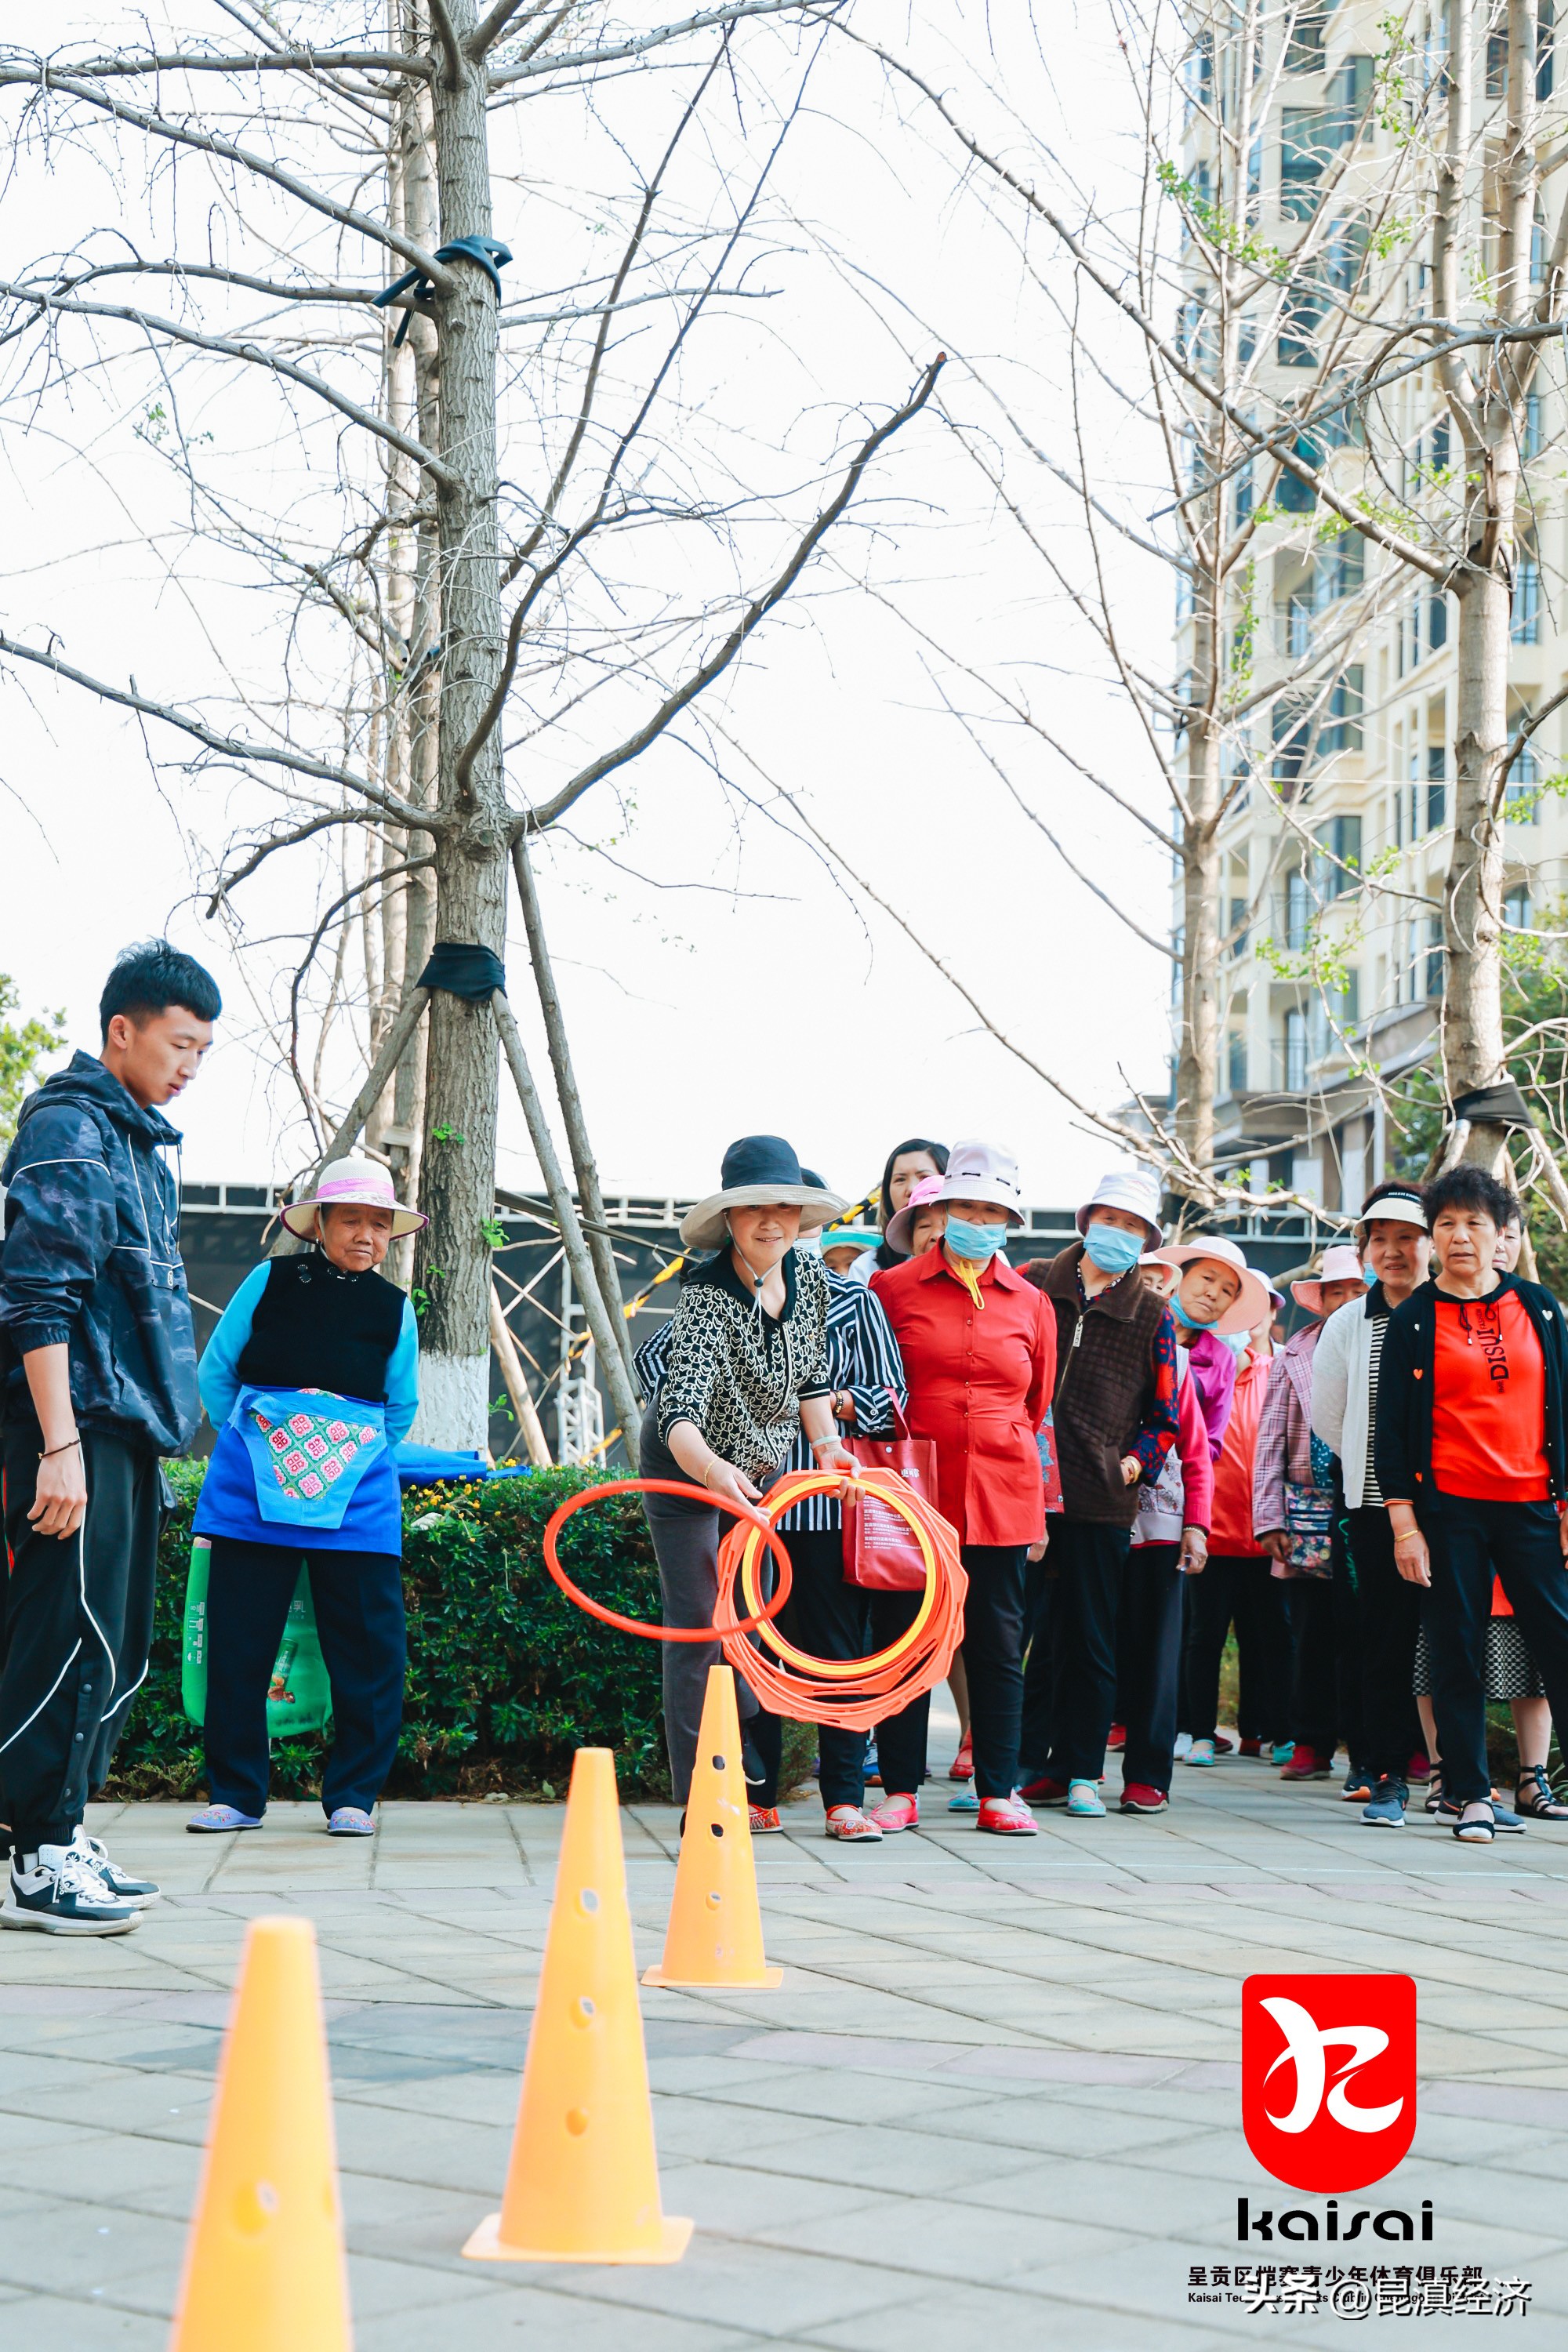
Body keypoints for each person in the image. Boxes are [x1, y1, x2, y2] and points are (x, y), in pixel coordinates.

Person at [0, 941, 220, 1933]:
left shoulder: (139, 1144)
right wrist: (59, 1446)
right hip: (73, 1427)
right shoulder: (69, 1128)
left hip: (121, 1431)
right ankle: (38, 1859)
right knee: (69, 1636)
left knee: (114, 1645)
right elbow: (37, 1295)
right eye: (178, 1044)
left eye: (202, 1051)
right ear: (121, 1031)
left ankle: (61, 1829)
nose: (189, 1065)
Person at [634, 1188, 906, 1841]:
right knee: (700, 1626)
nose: (770, 1222)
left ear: (800, 1219)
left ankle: (746, 1743)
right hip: (687, 1462)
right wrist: (713, 1473)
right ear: (729, 1219)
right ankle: (703, 1793)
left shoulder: (808, 1279)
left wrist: (828, 1447)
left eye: (784, 1209)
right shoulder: (705, 1295)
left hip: (754, 1464)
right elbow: (679, 1414)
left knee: (749, 1624)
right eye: (754, 1209)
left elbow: (811, 1379)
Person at [186, 1158, 422, 1837]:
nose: (366, 1236)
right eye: (352, 1220)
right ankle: (236, 1794)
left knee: (370, 1651)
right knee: (240, 1645)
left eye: (380, 1224)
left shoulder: (395, 1308)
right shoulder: (270, 1281)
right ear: (319, 1224)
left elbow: (399, 1407)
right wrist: (261, 1437)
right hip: (250, 1493)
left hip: (358, 1501)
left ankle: (354, 1797)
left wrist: (340, 1452)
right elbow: (217, 1372)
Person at [1376, 1163, 1568, 1842]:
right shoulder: (1414, 1318)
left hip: (1533, 1506)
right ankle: (1469, 1794)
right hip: (1449, 1508)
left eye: (1474, 1223)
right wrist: (1404, 1525)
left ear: (1501, 1234)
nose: (1460, 1236)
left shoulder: (1540, 1307)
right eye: (1446, 1224)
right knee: (1455, 1645)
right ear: (1433, 1237)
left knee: (1558, 1639)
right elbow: (1390, 1430)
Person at [871, 1140, 1054, 1835]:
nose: (979, 1220)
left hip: (1003, 1492)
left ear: (1009, 1221)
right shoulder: (893, 1289)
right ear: (942, 1210)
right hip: (915, 1493)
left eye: (992, 1211)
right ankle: (899, 1790)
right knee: (908, 1637)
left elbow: (1037, 1403)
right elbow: (878, 1387)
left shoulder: (1032, 1302)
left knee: (998, 1645)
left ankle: (998, 1791)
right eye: (967, 1207)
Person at [1023, 1165, 1182, 1817]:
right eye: (1109, 1219)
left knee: (1090, 1641)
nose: (1118, 1232)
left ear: (1146, 1238)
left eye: (1132, 1225)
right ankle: (1020, 1766)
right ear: (1087, 1221)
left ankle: (1082, 1770)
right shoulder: (1034, 1282)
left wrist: (1133, 1466)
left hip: (1101, 1500)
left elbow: (1165, 1417)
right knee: (1023, 1637)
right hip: (1024, 1492)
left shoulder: (1153, 1312)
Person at [1311, 1181, 1433, 1828]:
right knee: (1383, 1637)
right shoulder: (1349, 1322)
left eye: (1406, 1237)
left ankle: (1456, 1774)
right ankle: (1386, 1771)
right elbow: (1329, 1416)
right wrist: (1376, 1470)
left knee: (1452, 1635)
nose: (1391, 1251)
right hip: (1374, 1504)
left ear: (1431, 1243)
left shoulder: (1452, 1313)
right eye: (1378, 1239)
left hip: (1456, 1503)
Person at [1254, 1243, 1367, 1784]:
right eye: (1335, 1291)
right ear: (1320, 1299)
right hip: (1307, 1509)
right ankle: (1311, 1742)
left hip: (1372, 1504)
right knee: (1312, 1632)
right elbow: (1270, 1437)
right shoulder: (1295, 1353)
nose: (1345, 1300)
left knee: (1373, 1629)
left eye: (1355, 1290)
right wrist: (1269, 1518)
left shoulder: (1392, 1341)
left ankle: (1384, 1747)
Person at [1121, 1259, 1218, 1813]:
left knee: (1157, 1656)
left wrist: (1197, 1527)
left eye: (1162, 1285)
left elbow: (1196, 1453)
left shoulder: (1176, 1362)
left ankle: (1147, 1774)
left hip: (1160, 1525)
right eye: (1144, 1282)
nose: (1153, 1293)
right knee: (1081, 1645)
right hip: (1095, 1518)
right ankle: (1065, 1766)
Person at [1181, 1296, 1292, 1766]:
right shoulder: (1210, 1366)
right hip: (1214, 1529)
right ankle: (1201, 1733)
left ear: (1273, 1315)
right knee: (1204, 1637)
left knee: (1272, 1636)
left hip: (1269, 1534)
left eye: (1259, 1310)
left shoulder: (1282, 1370)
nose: (1249, 1322)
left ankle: (1274, 1731)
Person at [849, 1138, 949, 1279]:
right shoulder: (866, 1269)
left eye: (924, 1177)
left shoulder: (978, 1263)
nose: (912, 1189)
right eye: (900, 1180)